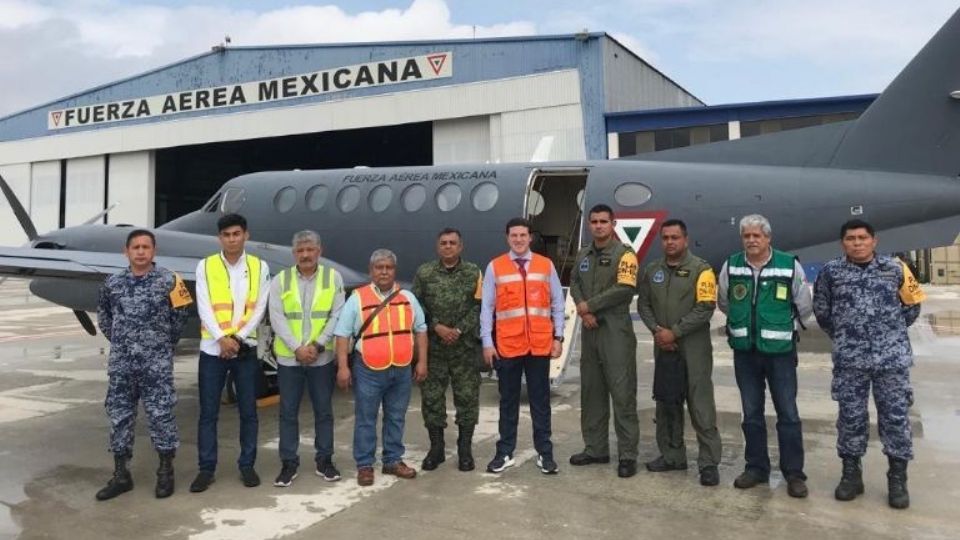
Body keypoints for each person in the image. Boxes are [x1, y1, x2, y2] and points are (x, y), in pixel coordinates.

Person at [813, 219, 925, 509]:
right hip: (851, 360)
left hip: (891, 360)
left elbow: (912, 306)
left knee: (896, 418)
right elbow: (823, 311)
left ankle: (897, 479)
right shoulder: (831, 272)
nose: (857, 243)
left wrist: (890, 334)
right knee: (851, 418)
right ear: (842, 243)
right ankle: (852, 475)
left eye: (863, 238)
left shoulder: (896, 269)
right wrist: (846, 336)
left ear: (874, 241)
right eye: (851, 238)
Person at [717, 214, 812, 498]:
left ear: (768, 238)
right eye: (747, 236)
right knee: (751, 413)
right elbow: (724, 302)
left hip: (780, 354)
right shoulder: (731, 265)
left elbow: (804, 305)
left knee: (788, 414)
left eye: (757, 235)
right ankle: (756, 467)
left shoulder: (788, 265)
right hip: (746, 353)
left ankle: (794, 473)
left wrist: (779, 327)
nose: (752, 240)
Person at [95, 229, 192, 500]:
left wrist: (161, 343)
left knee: (161, 415)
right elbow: (104, 315)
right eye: (135, 247)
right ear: (126, 252)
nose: (140, 251)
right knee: (120, 416)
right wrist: (120, 340)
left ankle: (165, 472)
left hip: (156, 364)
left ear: (154, 251)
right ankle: (121, 475)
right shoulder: (112, 283)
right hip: (122, 365)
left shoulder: (170, 281)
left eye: (145, 247)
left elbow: (181, 316)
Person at [637, 218, 722, 486]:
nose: (670, 242)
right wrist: (657, 332)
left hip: (693, 348)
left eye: (675, 237)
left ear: (685, 239)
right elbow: (644, 305)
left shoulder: (702, 270)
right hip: (663, 347)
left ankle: (708, 463)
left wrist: (675, 332)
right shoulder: (652, 270)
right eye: (666, 238)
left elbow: (705, 307)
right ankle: (672, 456)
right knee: (666, 402)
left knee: (700, 404)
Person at [190, 213, 270, 492]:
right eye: (226, 235)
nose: (232, 239)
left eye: (237, 233)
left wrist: (237, 338)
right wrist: (222, 338)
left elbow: (259, 308)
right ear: (219, 238)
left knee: (249, 412)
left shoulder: (260, 267)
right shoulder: (206, 266)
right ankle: (206, 469)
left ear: (245, 235)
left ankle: (247, 465)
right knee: (208, 412)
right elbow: (204, 305)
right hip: (213, 350)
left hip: (244, 350)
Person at [334, 249, 428, 487]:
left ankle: (392, 460)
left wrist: (423, 361)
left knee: (396, 417)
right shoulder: (357, 298)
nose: (384, 271)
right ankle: (365, 465)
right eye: (379, 267)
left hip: (401, 369)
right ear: (371, 270)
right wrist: (343, 367)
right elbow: (342, 335)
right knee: (366, 418)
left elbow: (421, 329)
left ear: (394, 271)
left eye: (388, 267)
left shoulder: (407, 297)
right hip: (368, 370)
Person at [480, 217, 566, 475]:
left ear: (530, 238)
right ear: (507, 238)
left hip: (539, 346)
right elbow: (487, 308)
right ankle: (505, 452)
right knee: (508, 402)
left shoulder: (545, 265)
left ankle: (545, 454)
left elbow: (557, 304)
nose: (518, 240)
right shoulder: (495, 267)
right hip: (507, 346)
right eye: (514, 235)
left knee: (541, 402)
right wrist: (487, 342)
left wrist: (558, 338)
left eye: (523, 235)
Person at [568, 204, 641, 478]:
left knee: (622, 395)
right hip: (590, 330)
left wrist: (590, 306)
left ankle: (627, 455)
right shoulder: (583, 254)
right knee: (592, 392)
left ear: (613, 223)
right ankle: (595, 448)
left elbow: (625, 289)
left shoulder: (625, 255)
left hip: (615, 332)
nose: (598, 226)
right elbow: (574, 281)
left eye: (603, 221)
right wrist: (583, 309)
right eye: (594, 221)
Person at [268, 230, 345, 487]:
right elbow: (276, 317)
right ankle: (289, 463)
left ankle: (325, 460)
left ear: (319, 251)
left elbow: (337, 315)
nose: (305, 255)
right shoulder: (281, 280)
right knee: (288, 412)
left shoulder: (333, 278)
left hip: (320, 359)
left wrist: (317, 345)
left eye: (310, 249)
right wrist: (297, 347)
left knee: (323, 411)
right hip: (290, 359)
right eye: (300, 250)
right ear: (294, 254)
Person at [412, 228, 482, 472]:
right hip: (434, 349)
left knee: (467, 398)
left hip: (464, 349)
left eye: (453, 243)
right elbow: (416, 306)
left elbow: (480, 305)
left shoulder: (474, 272)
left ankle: (465, 450)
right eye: (443, 243)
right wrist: (437, 327)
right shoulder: (425, 273)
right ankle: (437, 449)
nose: (448, 246)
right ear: (437, 247)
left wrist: (459, 330)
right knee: (431, 398)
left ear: (461, 247)